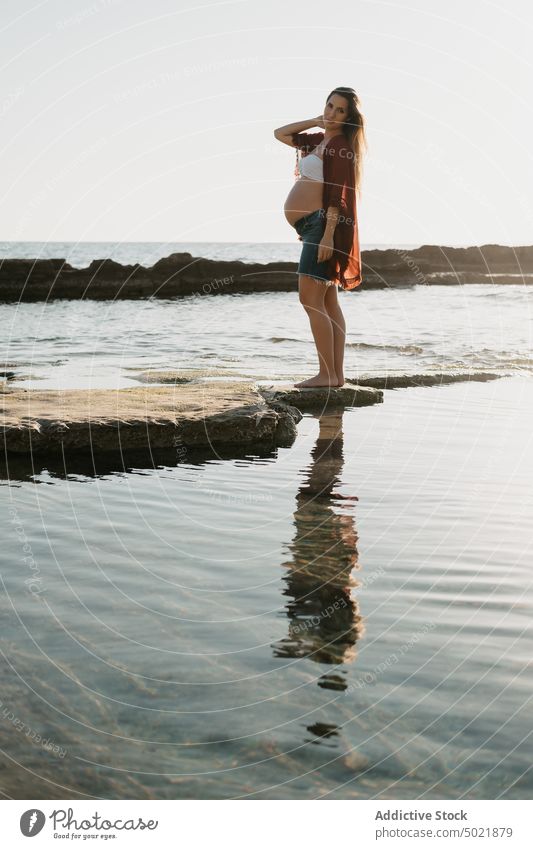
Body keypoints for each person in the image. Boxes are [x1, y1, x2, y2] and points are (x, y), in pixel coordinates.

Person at [274, 87, 367, 388]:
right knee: (327, 301)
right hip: (312, 229)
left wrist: (327, 235)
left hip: (321, 228)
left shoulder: (340, 144)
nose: (332, 113)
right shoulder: (320, 139)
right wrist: (314, 121)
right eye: (329, 106)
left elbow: (337, 195)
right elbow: (280, 133)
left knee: (310, 300)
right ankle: (335, 376)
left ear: (349, 117)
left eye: (340, 111)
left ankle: (326, 374)